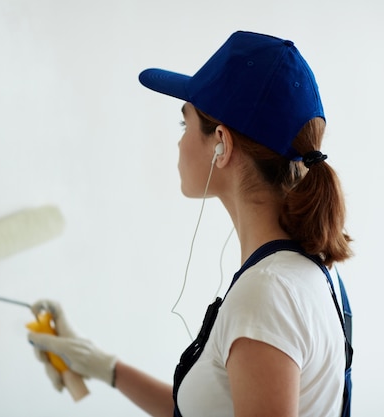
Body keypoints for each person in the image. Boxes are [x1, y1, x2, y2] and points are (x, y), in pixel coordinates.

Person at [28, 31, 353, 417]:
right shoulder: (308, 272)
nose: (179, 144)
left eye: (184, 125)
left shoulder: (266, 297)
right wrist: (104, 367)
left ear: (221, 143)